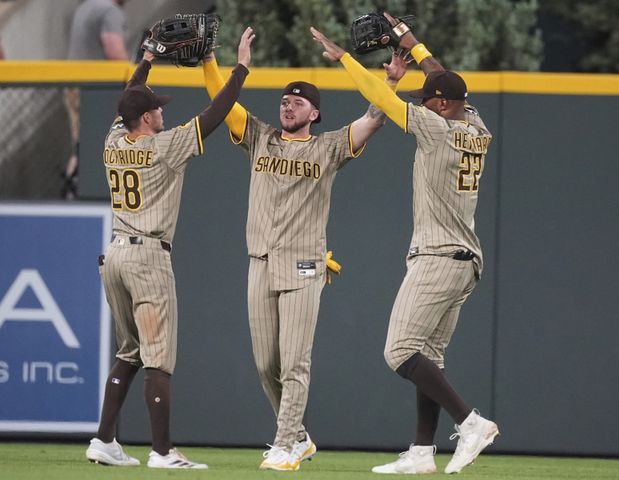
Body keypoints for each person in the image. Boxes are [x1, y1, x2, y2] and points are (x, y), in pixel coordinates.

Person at [201, 43, 407, 471]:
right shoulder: (260, 137)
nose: (287, 105)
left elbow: (374, 118)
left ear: (314, 113)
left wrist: (390, 81)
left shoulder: (328, 147)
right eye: (284, 101)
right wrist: (212, 62)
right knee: (266, 364)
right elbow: (223, 103)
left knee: (295, 361)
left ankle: (285, 445)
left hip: (304, 264)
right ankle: (296, 435)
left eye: (297, 102)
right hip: (260, 260)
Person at [311, 16, 499, 476]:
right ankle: (421, 452)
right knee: (428, 357)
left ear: (442, 104)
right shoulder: (474, 122)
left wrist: (344, 58)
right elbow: (441, 75)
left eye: (428, 99)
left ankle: (471, 423)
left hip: (438, 256)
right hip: (466, 259)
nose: (423, 101)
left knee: (399, 351)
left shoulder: (438, 128)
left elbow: (381, 99)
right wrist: (412, 44)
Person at [85, 27, 255, 469]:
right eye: (157, 108)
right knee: (158, 359)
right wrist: (240, 69)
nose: (162, 111)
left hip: (115, 255)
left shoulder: (113, 141)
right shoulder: (164, 146)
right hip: (147, 258)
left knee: (129, 353)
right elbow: (216, 113)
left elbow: (129, 96)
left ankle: (104, 440)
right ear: (146, 119)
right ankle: (162, 451)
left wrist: (148, 58)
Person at [64, 0, 129, 199]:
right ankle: (86, 194)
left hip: (74, 87)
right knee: (96, 144)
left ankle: (72, 192)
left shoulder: (85, 7)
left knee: (80, 144)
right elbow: (113, 49)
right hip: (96, 92)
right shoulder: (110, 11)